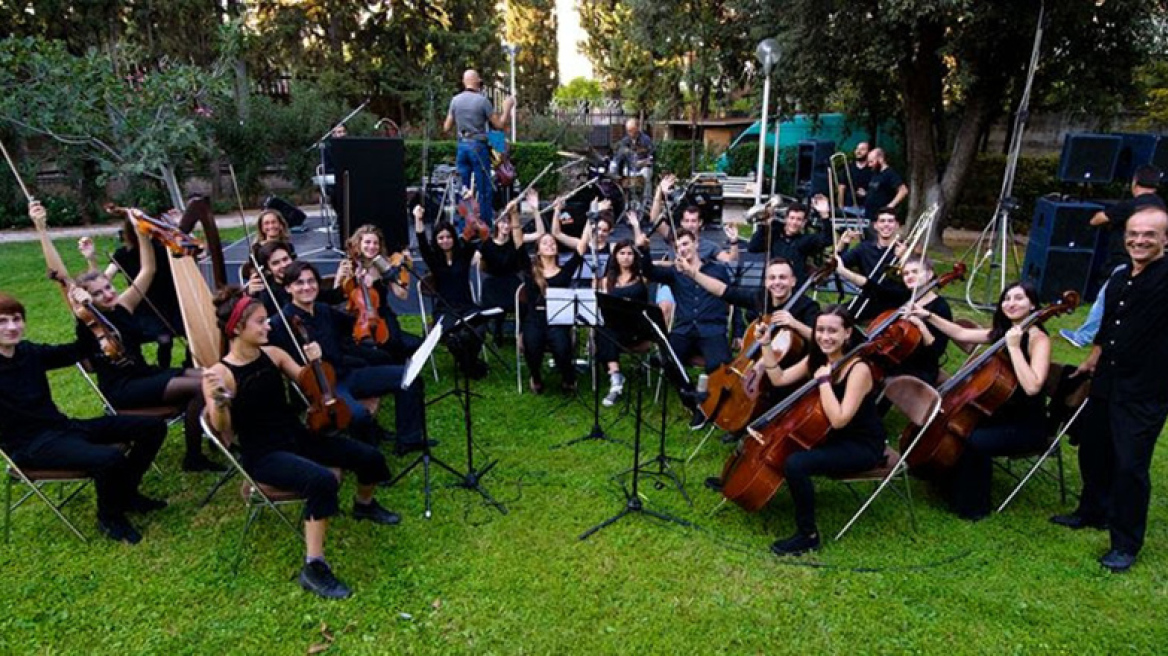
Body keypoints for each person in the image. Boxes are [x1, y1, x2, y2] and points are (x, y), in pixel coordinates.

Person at [202, 286, 400, 599]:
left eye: (267, 320)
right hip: (262, 453)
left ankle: (364, 506)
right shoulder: (219, 374)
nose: (268, 326)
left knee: (369, 455)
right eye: (261, 322)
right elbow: (221, 430)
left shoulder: (273, 354)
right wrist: (219, 402)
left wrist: (315, 364)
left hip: (294, 435)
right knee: (321, 480)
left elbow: (309, 385)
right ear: (238, 328)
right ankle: (313, 567)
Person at [62, 205, 220, 473]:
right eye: (100, 294)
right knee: (200, 385)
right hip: (123, 389)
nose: (108, 294)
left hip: (144, 375)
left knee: (210, 373)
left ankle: (212, 432)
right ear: (90, 300)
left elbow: (148, 269)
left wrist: (141, 232)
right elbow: (77, 303)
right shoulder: (88, 323)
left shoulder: (124, 306)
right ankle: (194, 456)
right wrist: (83, 298)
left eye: (109, 287)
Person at [1053, 206, 1168, 573]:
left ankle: (1125, 543)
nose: (1139, 240)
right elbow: (1105, 330)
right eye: (1134, 234)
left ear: (1165, 239)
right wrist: (1090, 361)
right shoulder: (1120, 278)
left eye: (1150, 234)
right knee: (1094, 450)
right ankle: (1091, 511)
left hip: (1145, 390)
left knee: (1130, 466)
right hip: (1106, 382)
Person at [0, 291, 166, 544]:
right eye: (2, 321)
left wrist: (84, 315)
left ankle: (127, 492)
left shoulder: (28, 352)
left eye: (16, 319)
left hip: (62, 427)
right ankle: (110, 518)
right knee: (109, 458)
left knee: (152, 427)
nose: (12, 327)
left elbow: (77, 351)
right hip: (30, 446)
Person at [910, 281, 1050, 520]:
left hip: (1026, 423)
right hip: (998, 412)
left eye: (1019, 298)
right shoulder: (1004, 332)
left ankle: (974, 506)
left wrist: (1014, 348)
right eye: (1007, 298)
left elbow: (1032, 386)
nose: (1011, 303)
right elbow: (961, 333)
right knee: (957, 428)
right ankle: (948, 485)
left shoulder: (1039, 340)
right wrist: (928, 315)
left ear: (1033, 304)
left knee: (973, 440)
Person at [756, 305, 887, 556]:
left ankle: (808, 535)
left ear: (847, 333)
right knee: (782, 441)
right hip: (830, 434)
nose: (824, 337)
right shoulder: (819, 357)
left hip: (860, 444)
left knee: (796, 463)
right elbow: (779, 378)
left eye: (832, 331)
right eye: (820, 330)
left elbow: (839, 419)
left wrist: (824, 382)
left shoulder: (858, 369)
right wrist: (765, 345)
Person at [272, 261, 430, 455]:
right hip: (325, 387)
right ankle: (370, 459)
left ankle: (409, 440)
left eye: (311, 281)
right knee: (358, 416)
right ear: (288, 288)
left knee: (409, 377)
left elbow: (355, 324)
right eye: (299, 283)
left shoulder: (323, 310)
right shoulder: (281, 323)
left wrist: (365, 294)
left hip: (348, 373)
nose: (307, 287)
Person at [1060, 165, 1164, 348]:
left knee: (1105, 298)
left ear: (1135, 182)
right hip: (1151, 262)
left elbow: (1097, 219)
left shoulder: (1132, 205)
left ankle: (1084, 336)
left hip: (1126, 261)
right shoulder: (1161, 206)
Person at [637, 228, 731, 428]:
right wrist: (645, 250)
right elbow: (648, 272)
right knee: (667, 359)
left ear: (696, 243)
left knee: (721, 365)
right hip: (684, 329)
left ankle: (711, 405)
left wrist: (738, 332)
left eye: (686, 244)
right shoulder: (674, 272)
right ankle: (693, 402)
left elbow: (731, 298)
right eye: (678, 246)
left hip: (712, 329)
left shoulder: (718, 270)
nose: (683, 249)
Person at [81, 219, 184, 369]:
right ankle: (164, 369)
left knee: (194, 330)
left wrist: (179, 230)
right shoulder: (123, 254)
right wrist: (91, 260)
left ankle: (185, 365)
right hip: (143, 308)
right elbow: (103, 279)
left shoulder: (164, 249)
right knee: (165, 339)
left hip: (172, 303)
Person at [838, 254, 952, 385]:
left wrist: (921, 325)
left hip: (918, 367)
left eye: (915, 272)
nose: (909, 276)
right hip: (892, 358)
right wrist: (843, 271)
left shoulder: (940, 307)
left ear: (930, 274)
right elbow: (875, 289)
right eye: (905, 274)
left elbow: (936, 352)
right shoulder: (904, 297)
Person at [413, 205, 490, 379]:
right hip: (445, 309)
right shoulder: (434, 260)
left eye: (448, 236)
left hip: (466, 306)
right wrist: (418, 219)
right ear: (436, 240)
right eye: (440, 238)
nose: (445, 240)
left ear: (454, 238)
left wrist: (473, 211)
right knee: (453, 339)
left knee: (478, 330)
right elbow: (422, 243)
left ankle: (467, 364)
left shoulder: (464, 254)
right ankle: (470, 366)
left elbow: (479, 235)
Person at [523, 215, 593, 394]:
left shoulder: (564, 271)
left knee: (562, 347)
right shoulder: (530, 271)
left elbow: (581, 248)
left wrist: (591, 218)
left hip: (558, 319)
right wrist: (530, 210)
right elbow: (517, 243)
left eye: (553, 243)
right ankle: (536, 378)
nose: (550, 245)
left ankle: (568, 378)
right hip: (535, 319)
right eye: (545, 243)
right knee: (532, 345)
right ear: (538, 250)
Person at [336, 224, 422, 365]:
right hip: (357, 316)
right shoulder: (349, 265)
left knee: (393, 340)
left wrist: (394, 274)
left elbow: (402, 295)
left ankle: (397, 372)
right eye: (367, 242)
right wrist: (342, 278)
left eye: (375, 243)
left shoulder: (384, 264)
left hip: (382, 314)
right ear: (359, 243)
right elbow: (337, 293)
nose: (372, 246)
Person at [444, 69, 515, 226]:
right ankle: (485, 226)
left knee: (463, 189)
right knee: (484, 189)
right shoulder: (482, 101)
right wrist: (507, 108)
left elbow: (446, 127)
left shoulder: (455, 100)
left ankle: (464, 227)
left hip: (462, 146)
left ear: (464, 82)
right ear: (477, 82)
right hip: (478, 146)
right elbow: (499, 126)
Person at [479, 193, 540, 346]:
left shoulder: (517, 239)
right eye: (503, 222)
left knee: (523, 301)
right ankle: (497, 332)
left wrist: (535, 210)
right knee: (494, 304)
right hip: (493, 283)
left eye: (508, 222)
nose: (506, 226)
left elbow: (540, 233)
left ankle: (521, 334)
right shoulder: (487, 244)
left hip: (511, 281)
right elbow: (475, 259)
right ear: (497, 224)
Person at [596, 239, 651, 406]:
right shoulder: (607, 280)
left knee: (606, 334)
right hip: (615, 326)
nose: (626, 257)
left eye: (629, 253)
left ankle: (615, 380)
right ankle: (616, 378)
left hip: (636, 327)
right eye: (622, 253)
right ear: (616, 256)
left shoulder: (642, 278)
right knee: (603, 330)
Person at [836, 207, 907, 322]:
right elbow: (839, 264)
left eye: (890, 221)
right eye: (882, 221)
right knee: (835, 316)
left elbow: (916, 280)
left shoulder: (905, 249)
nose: (886, 225)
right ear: (875, 225)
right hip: (869, 297)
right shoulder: (864, 248)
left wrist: (904, 258)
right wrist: (843, 244)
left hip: (894, 302)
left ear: (897, 225)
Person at [746, 197, 833, 284]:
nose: (794, 222)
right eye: (792, 218)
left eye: (799, 219)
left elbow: (827, 239)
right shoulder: (775, 234)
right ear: (786, 219)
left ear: (804, 222)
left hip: (793, 289)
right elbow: (753, 247)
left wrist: (824, 215)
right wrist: (764, 225)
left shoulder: (805, 240)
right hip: (771, 286)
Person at [609, 118, 655, 208]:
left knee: (646, 174)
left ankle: (647, 201)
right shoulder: (625, 141)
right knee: (623, 174)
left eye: (631, 130)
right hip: (630, 168)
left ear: (637, 128)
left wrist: (643, 162)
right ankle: (626, 201)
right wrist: (614, 166)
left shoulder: (646, 140)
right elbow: (618, 156)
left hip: (643, 168)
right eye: (628, 131)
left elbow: (652, 157)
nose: (629, 133)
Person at [863, 148, 907, 219]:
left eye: (871, 162)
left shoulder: (890, 173)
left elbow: (903, 190)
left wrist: (890, 206)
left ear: (880, 159)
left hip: (881, 216)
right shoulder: (875, 173)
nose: (869, 165)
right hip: (870, 215)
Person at [837, 141, 873, 210]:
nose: (858, 151)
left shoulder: (872, 169)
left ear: (869, 152)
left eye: (862, 149)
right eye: (857, 149)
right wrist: (840, 206)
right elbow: (841, 188)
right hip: (849, 207)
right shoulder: (848, 168)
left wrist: (867, 194)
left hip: (867, 208)